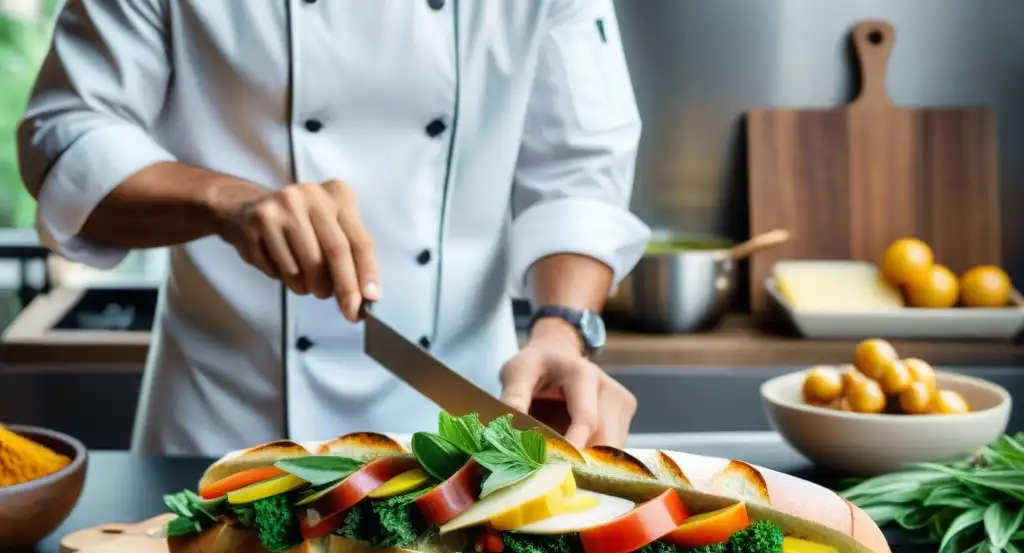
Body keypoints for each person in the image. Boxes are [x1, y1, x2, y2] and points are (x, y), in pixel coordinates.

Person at [17, 0, 650, 456]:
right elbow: (65, 138)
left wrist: (562, 334)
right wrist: (226, 201)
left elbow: (580, 166)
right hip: (225, 420)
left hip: (462, 422)